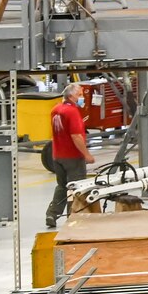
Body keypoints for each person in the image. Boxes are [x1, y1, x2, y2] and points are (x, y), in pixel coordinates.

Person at [44, 83, 92, 229]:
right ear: (71, 96)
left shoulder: (56, 109)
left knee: (61, 185)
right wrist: (87, 154)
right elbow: (76, 136)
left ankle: (52, 214)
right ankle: (74, 216)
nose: (82, 98)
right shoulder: (72, 112)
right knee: (75, 187)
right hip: (73, 157)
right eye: (79, 95)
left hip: (57, 156)